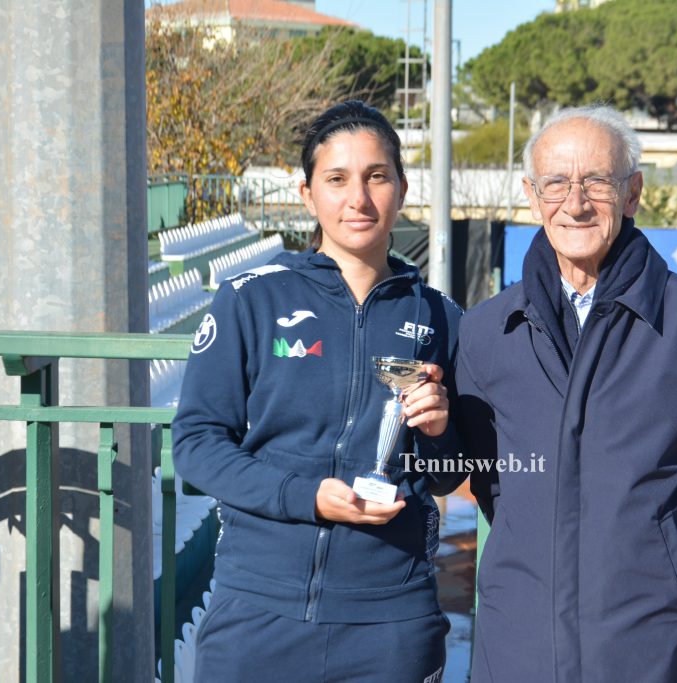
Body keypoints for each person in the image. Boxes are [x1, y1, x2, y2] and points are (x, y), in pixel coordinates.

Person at [455, 104, 677, 682]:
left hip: (657, 651)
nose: (575, 203)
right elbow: (492, 482)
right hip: (519, 646)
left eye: (596, 181)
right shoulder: (483, 332)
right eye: (555, 183)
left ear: (632, 193)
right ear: (532, 195)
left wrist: (668, 574)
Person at [173, 100, 463, 683]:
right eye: (337, 179)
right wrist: (304, 496)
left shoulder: (441, 318)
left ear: (402, 189)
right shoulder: (251, 299)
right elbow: (197, 446)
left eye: (376, 177)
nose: (358, 198)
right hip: (258, 609)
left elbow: (449, 473)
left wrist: (436, 433)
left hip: (391, 620)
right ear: (307, 194)